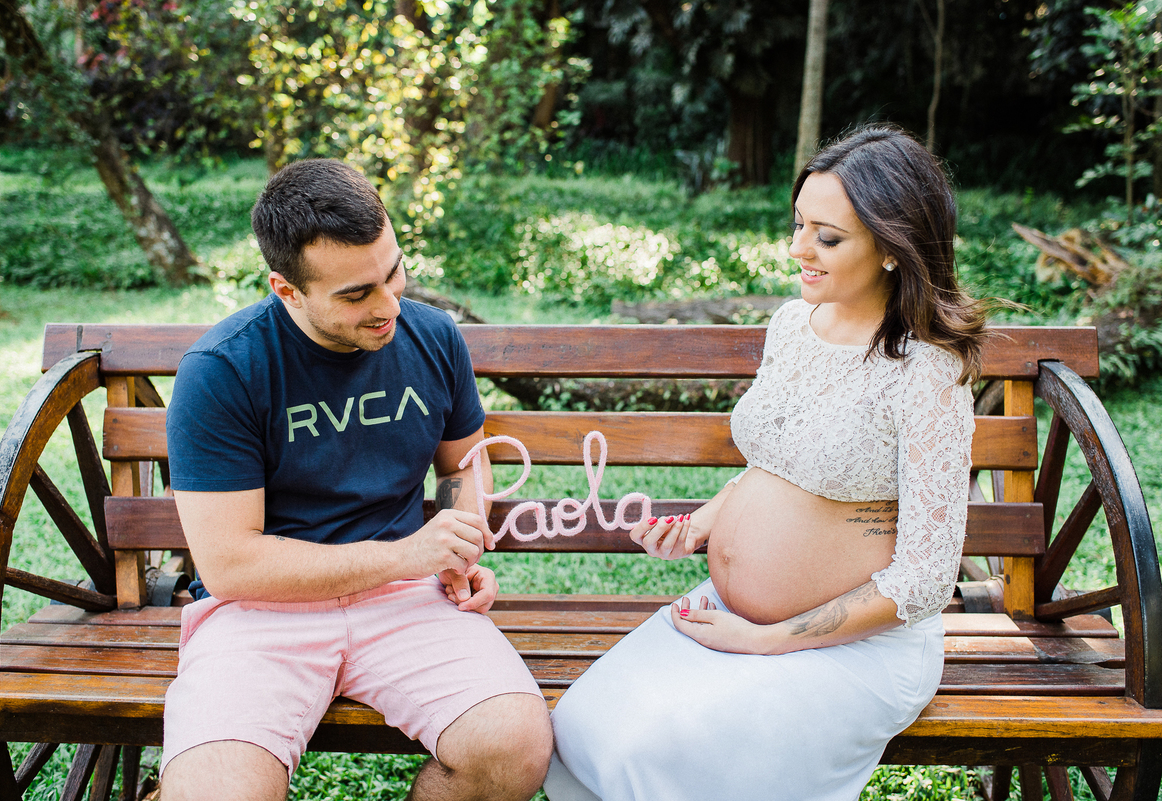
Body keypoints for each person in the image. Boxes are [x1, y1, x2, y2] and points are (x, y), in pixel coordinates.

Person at [544, 125, 986, 801]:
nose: (797, 248)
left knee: (650, 755)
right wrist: (704, 522)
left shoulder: (926, 373)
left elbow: (924, 580)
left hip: (854, 651)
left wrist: (768, 640)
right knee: (580, 729)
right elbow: (777, 461)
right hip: (731, 614)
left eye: (826, 237)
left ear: (892, 248)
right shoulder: (792, 325)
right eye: (798, 224)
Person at [160, 159, 552, 801]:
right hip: (260, 615)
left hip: (408, 602)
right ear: (287, 290)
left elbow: (462, 464)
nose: (388, 305)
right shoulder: (222, 370)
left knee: (514, 748)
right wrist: (406, 555)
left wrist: (457, 541)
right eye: (355, 294)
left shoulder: (434, 338)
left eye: (393, 272)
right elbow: (230, 566)